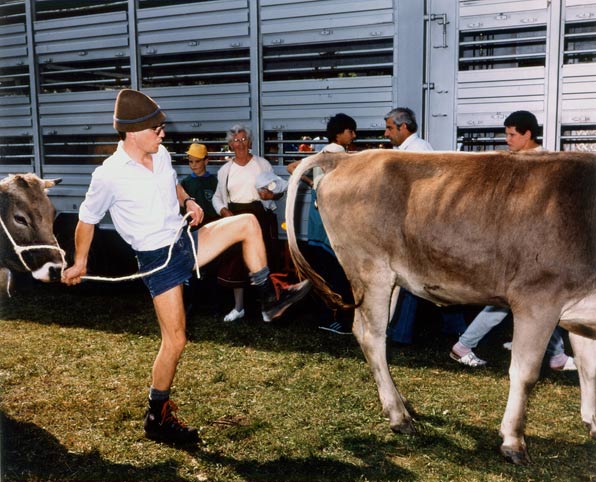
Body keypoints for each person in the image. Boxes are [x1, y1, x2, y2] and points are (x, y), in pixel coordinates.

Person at [61, 89, 311, 445]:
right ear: (133, 131)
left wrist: (190, 200)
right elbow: (86, 220)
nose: (163, 134)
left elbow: (175, 185)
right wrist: (80, 261)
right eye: (156, 128)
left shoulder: (160, 154)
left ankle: (269, 297)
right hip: (156, 261)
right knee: (175, 341)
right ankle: (157, 417)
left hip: (184, 241)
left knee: (248, 224)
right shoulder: (109, 175)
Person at [449, 110, 577, 370]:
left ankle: (465, 346)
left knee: (526, 299)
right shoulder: (509, 162)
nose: (507, 140)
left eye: (511, 135)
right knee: (529, 298)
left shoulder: (547, 163)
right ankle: (555, 356)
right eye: (506, 134)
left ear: (527, 134)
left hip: (533, 244)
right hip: (513, 244)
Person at [384, 107, 468, 344]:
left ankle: (401, 333)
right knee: (430, 281)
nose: (385, 133)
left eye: (390, 128)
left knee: (415, 279)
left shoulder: (417, 152)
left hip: (420, 226)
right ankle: (457, 329)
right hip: (419, 225)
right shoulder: (408, 150)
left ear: (404, 127)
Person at [287, 113, 356, 334]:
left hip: (317, 220)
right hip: (333, 219)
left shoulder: (321, 154)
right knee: (337, 272)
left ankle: (326, 316)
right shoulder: (343, 156)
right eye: (350, 131)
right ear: (339, 133)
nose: (353, 135)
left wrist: (315, 183)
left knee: (323, 270)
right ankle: (334, 319)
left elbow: (291, 167)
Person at [212, 124, 286, 322]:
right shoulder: (225, 170)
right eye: (236, 140)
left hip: (260, 216)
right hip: (236, 217)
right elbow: (217, 197)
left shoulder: (262, 164)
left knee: (264, 261)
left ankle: (267, 307)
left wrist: (271, 194)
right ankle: (239, 308)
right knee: (237, 263)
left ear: (250, 142)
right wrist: (224, 211)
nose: (240, 144)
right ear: (230, 145)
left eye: (244, 139)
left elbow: (278, 190)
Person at [180, 142, 219, 317]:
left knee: (212, 266)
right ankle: (193, 303)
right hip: (194, 228)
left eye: (197, 161)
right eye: (190, 162)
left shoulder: (215, 181)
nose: (193, 165)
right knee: (194, 266)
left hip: (212, 227)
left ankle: (214, 304)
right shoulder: (186, 184)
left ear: (206, 161)